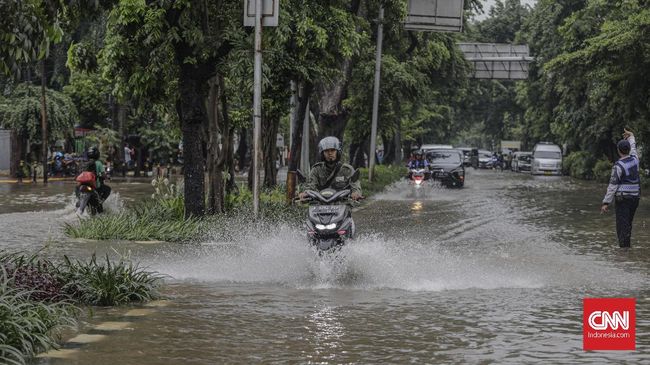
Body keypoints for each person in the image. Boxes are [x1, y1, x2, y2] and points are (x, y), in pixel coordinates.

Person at [600, 128, 640, 248]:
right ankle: (627, 252)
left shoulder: (618, 166)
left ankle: (624, 254)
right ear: (627, 150)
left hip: (623, 200)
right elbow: (633, 147)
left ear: (618, 151)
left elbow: (612, 186)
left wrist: (606, 203)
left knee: (622, 227)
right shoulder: (635, 159)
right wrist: (632, 136)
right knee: (628, 225)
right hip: (635, 199)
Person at [299, 136, 362, 201]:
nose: (330, 153)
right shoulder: (316, 169)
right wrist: (306, 193)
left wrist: (355, 193)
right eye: (326, 151)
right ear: (322, 153)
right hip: (320, 204)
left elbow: (355, 184)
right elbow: (311, 185)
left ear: (338, 152)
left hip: (342, 203)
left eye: (333, 150)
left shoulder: (347, 170)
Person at [84, 146, 111, 212]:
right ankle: (100, 201)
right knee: (108, 189)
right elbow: (103, 175)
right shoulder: (98, 163)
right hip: (96, 186)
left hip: (85, 186)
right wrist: (107, 177)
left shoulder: (85, 163)